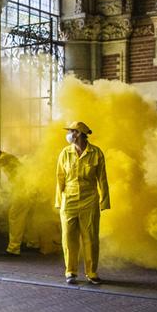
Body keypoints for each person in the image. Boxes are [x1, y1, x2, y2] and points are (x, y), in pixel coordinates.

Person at [55, 121, 110, 285]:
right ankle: (70, 271)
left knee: (90, 237)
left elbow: (102, 179)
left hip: (89, 199)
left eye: (71, 131)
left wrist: (104, 201)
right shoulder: (65, 153)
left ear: (79, 133)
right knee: (68, 237)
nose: (69, 134)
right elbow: (59, 178)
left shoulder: (96, 153)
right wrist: (59, 201)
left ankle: (91, 272)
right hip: (69, 199)